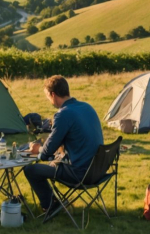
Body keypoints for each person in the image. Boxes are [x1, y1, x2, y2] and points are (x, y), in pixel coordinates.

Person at [23, 75, 103, 214]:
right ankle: (53, 201)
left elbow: (46, 153)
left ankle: (50, 205)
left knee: (30, 170)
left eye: (48, 96)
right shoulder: (87, 107)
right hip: (98, 170)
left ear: (53, 95)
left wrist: (38, 149)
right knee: (53, 163)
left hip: (79, 174)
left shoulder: (63, 114)